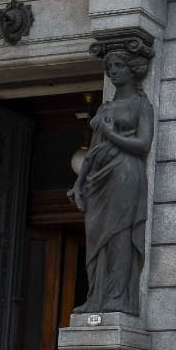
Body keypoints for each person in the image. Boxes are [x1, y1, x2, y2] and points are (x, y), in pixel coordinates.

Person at [70, 39, 154, 316]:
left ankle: (118, 297)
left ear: (133, 69)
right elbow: (92, 152)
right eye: (111, 67)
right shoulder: (104, 108)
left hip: (125, 172)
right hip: (98, 177)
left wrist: (111, 134)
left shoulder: (141, 105)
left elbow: (143, 144)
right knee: (95, 235)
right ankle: (96, 297)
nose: (114, 71)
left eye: (120, 66)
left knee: (119, 233)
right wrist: (79, 183)